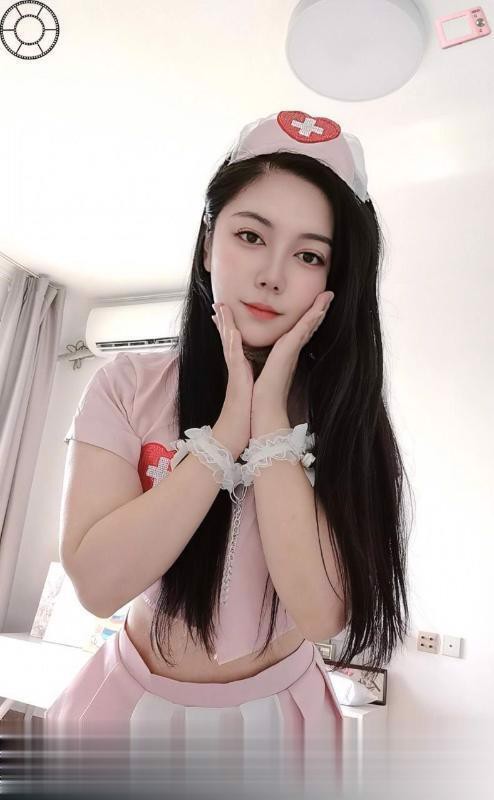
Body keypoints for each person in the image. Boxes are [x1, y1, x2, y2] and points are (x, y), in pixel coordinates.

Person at [43, 110, 412, 794]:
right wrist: (221, 437)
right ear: (210, 243)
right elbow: (97, 586)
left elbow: (320, 613)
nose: (272, 275)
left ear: (338, 280)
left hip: (281, 727)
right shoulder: (128, 385)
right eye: (250, 236)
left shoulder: (347, 420)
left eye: (309, 255)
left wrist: (268, 422)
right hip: (125, 714)